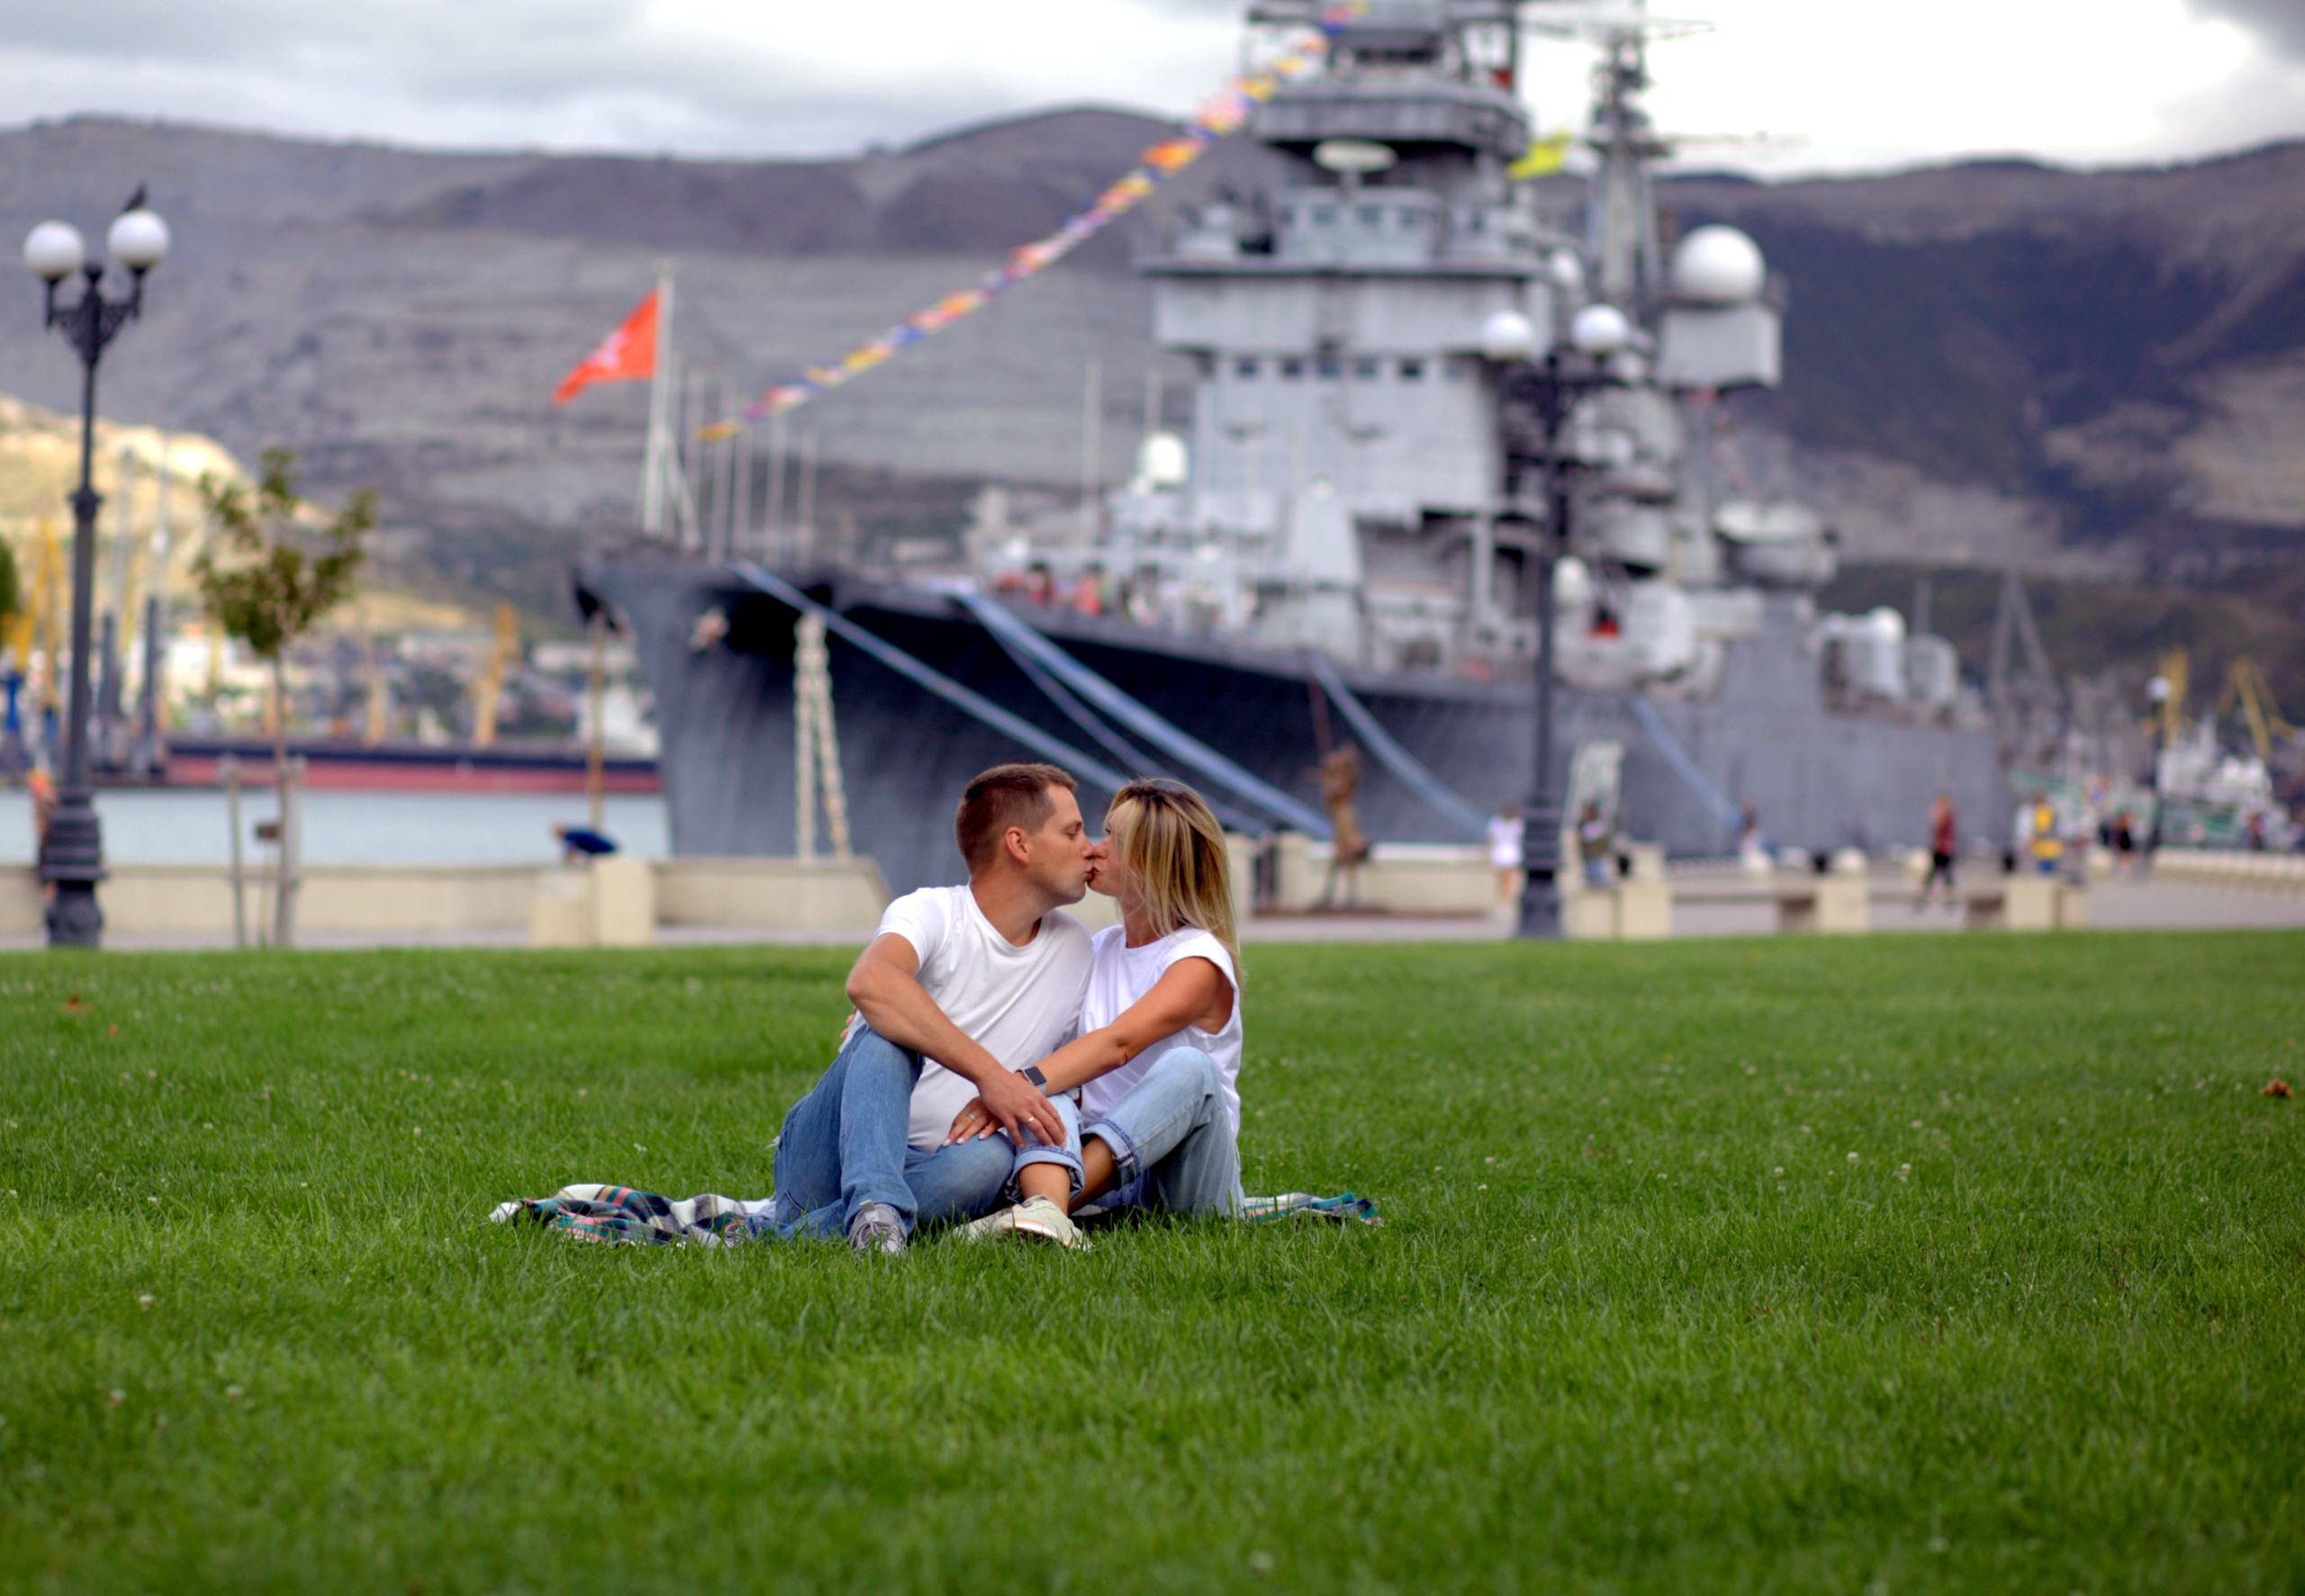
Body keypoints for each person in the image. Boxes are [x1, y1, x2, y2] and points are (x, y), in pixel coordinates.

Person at [755, 762, 1096, 1254]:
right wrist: (992, 1077)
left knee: (993, 1162)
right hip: (827, 1158)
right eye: (1072, 831)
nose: (1089, 846)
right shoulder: (931, 911)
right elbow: (870, 981)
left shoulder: (1076, 949)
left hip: (941, 1170)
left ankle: (825, 1232)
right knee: (887, 1029)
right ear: (1019, 845)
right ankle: (874, 1205)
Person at [949, 779, 1243, 1250]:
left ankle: (1038, 1208)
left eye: (1114, 841)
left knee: (1190, 1069)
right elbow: (1014, 1006)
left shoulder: (1198, 962)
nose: (1094, 849)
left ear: (1155, 863)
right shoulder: (1098, 948)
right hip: (1104, 1173)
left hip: (1182, 1181)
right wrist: (902, 1014)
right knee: (1050, 1085)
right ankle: (1047, 1212)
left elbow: (1117, 1044)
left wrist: (1012, 1086)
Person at [1917, 791, 1957, 908]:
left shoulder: (1948, 815)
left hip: (1945, 850)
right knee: (1933, 876)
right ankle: (1924, 899)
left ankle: (1949, 900)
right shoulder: (1941, 814)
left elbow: (1946, 832)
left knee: (1947, 877)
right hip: (1939, 849)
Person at [1487, 804, 1523, 909]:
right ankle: (1502, 901)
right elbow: (1491, 839)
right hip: (1499, 853)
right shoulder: (1497, 823)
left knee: (1509, 878)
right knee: (1500, 879)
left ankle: (1507, 901)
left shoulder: (1517, 824)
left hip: (1511, 853)